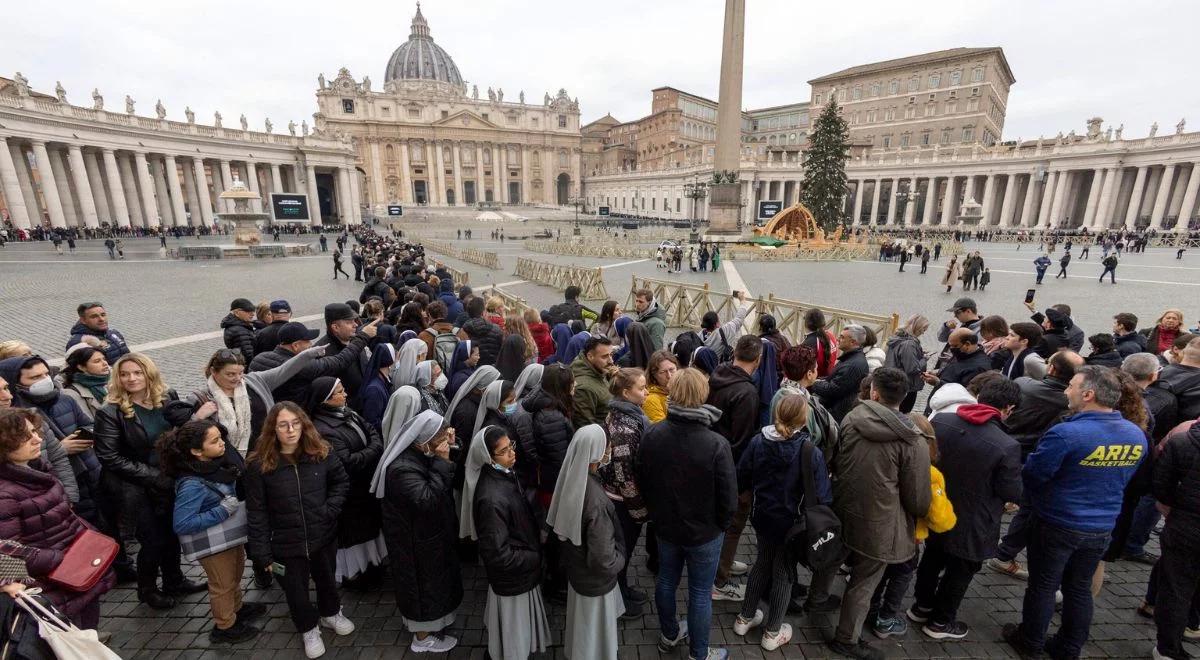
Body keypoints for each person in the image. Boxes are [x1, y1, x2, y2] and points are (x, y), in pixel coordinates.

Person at [1003, 366, 1146, 660]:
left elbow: (1034, 475)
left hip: (1057, 521)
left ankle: (1030, 641)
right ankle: (1069, 647)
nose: (1066, 391)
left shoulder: (1067, 433)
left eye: (1071, 386)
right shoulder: (1135, 435)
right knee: (1079, 588)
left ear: (1088, 394)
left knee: (1043, 585)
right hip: (1101, 525)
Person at [826, 367, 931, 660]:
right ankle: (846, 639)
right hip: (880, 525)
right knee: (864, 583)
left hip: (842, 508)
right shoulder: (913, 441)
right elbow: (918, 499)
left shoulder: (852, 417)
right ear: (906, 397)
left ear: (873, 393)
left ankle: (817, 599)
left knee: (832, 560)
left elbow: (835, 459)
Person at [911, 379, 1022, 641]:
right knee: (960, 572)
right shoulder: (1007, 445)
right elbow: (1011, 491)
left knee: (932, 559)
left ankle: (921, 606)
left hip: (938, 509)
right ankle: (940, 622)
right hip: (975, 521)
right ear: (1008, 409)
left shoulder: (941, 422)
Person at [638, 367, 737, 660]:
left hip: (666, 527)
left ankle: (669, 634)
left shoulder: (653, 433)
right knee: (699, 593)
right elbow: (728, 498)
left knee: (666, 581)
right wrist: (721, 525)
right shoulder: (716, 444)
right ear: (702, 395)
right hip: (704, 532)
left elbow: (642, 476)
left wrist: (656, 512)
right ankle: (698, 653)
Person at [94, 353, 206, 610]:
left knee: (171, 533)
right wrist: (155, 477)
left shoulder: (167, 397)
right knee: (153, 539)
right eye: (124, 374)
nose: (131, 378)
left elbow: (180, 435)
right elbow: (109, 457)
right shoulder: (109, 411)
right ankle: (147, 590)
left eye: (137, 372)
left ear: (149, 374)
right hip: (134, 486)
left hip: (169, 478)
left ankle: (174, 580)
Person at [245, 402, 353, 659]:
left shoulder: (322, 452)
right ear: (273, 429)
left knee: (327, 579)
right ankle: (308, 627)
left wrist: (329, 510)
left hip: (322, 536)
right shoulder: (259, 465)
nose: (291, 430)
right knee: (295, 590)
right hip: (284, 544)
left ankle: (331, 613)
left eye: (296, 424)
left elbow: (341, 482)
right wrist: (262, 554)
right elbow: (256, 512)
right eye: (283, 425)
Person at [0, 407, 116, 630]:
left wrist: (86, 538)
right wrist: (57, 559)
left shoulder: (37, 470)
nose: (36, 439)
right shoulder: (5, 494)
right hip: (52, 584)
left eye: (34, 431)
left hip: (76, 575)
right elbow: (7, 552)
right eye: (25, 436)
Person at [732, 394, 827, 651]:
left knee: (762, 563)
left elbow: (742, 476)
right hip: (792, 525)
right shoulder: (810, 451)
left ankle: (745, 617)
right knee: (784, 573)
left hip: (762, 516)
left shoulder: (758, 442)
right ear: (803, 419)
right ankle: (772, 631)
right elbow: (821, 496)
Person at [162, 419, 264, 644]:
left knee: (235, 573)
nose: (223, 444)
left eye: (221, 437)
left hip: (228, 537)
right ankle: (225, 625)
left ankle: (236, 608)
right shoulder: (192, 483)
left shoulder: (213, 467)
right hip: (214, 544)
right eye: (215, 441)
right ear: (197, 451)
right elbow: (182, 523)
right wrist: (222, 511)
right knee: (222, 583)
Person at [374, 410, 462, 654]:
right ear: (422, 442)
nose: (444, 443)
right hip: (414, 544)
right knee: (421, 590)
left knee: (434, 585)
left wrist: (449, 448)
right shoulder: (402, 470)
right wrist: (442, 462)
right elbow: (426, 500)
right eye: (440, 439)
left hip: (427, 538)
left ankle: (433, 625)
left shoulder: (419, 454)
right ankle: (422, 638)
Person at [463, 426, 550, 660]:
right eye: (504, 451)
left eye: (511, 445)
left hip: (518, 572)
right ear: (489, 458)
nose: (512, 453)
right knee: (513, 634)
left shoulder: (504, 474)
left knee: (514, 633)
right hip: (513, 576)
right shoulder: (491, 499)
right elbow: (498, 554)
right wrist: (534, 557)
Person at [548, 424, 625, 660]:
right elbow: (603, 558)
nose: (609, 450)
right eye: (607, 446)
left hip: (578, 572)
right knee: (595, 633)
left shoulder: (575, 478)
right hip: (595, 580)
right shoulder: (595, 500)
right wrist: (619, 559)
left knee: (582, 628)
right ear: (595, 453)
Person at [305, 378, 386, 589]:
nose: (345, 394)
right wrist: (374, 448)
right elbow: (347, 461)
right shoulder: (324, 429)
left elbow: (370, 430)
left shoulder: (347, 412)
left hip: (363, 486)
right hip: (350, 493)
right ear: (325, 400)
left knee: (368, 532)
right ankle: (355, 575)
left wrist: (372, 445)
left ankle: (372, 565)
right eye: (340, 392)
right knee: (355, 538)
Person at [707, 335, 763, 600]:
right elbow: (741, 441)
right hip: (730, 469)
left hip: (711, 457)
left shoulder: (717, 375)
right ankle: (720, 578)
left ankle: (723, 562)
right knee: (733, 524)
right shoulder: (747, 392)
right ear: (759, 359)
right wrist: (741, 482)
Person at [601, 367, 651, 617]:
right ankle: (618, 600)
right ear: (625, 392)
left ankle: (623, 588)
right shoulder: (624, 428)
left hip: (624, 499)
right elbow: (624, 475)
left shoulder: (629, 414)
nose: (646, 392)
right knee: (622, 550)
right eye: (641, 388)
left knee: (626, 550)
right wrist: (639, 509)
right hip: (623, 502)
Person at [1150, 417, 1200, 660]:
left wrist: (1174, 509)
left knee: (1176, 587)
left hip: (1184, 525)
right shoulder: (1182, 441)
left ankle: (1167, 649)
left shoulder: (1182, 441)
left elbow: (1160, 485)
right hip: (1185, 523)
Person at [811, 324, 870, 422]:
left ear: (853, 342)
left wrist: (814, 382)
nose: (838, 339)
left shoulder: (852, 365)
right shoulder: (852, 358)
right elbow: (835, 379)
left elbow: (834, 390)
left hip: (836, 415)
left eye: (842, 337)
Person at [884, 315, 930, 413]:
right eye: (924, 329)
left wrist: (918, 354)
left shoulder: (898, 338)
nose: (923, 333)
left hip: (894, 382)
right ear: (918, 328)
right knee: (903, 413)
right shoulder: (909, 344)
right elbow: (912, 368)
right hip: (906, 386)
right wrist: (924, 359)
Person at [570, 336, 614, 427]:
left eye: (611, 355)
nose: (611, 361)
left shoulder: (598, 370)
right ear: (590, 356)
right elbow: (587, 427)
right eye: (605, 356)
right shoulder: (583, 387)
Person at [58, 343, 111, 417]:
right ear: (81, 367)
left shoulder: (114, 379)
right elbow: (87, 422)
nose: (105, 363)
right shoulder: (72, 393)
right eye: (97, 361)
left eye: (104, 359)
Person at [699, 291, 752, 358]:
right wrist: (742, 300)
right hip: (717, 366)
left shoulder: (699, 335)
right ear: (716, 324)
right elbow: (739, 318)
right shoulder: (723, 332)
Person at [643, 350, 678, 423]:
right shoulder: (651, 399)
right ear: (654, 375)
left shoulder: (682, 389)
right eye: (663, 372)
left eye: (671, 370)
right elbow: (662, 431)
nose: (669, 376)